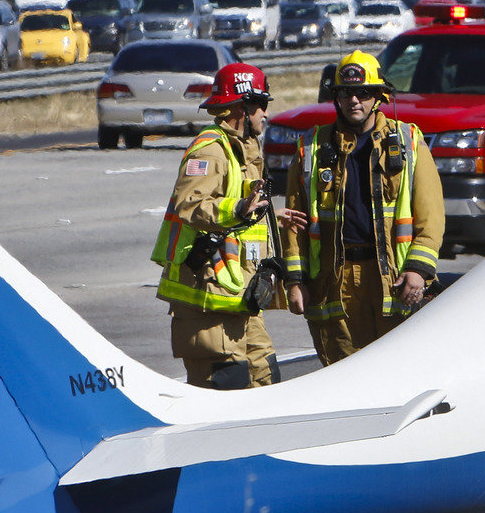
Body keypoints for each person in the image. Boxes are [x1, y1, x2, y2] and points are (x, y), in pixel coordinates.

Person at [281, 50, 444, 365]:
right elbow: (294, 225)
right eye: (346, 93)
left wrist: (418, 269)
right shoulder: (311, 148)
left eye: (364, 93)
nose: (354, 100)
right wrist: (295, 281)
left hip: (391, 278)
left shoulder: (409, 142)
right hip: (333, 282)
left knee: (398, 370)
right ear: (336, 97)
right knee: (342, 372)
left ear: (379, 97)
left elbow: (431, 216)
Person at [151, 62, 303, 388]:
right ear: (241, 107)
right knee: (226, 390)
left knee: (267, 382)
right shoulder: (211, 149)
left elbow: (234, 212)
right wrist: (238, 207)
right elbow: (190, 205)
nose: (266, 111)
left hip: (238, 299)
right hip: (207, 303)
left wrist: (267, 216)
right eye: (261, 103)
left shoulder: (243, 149)